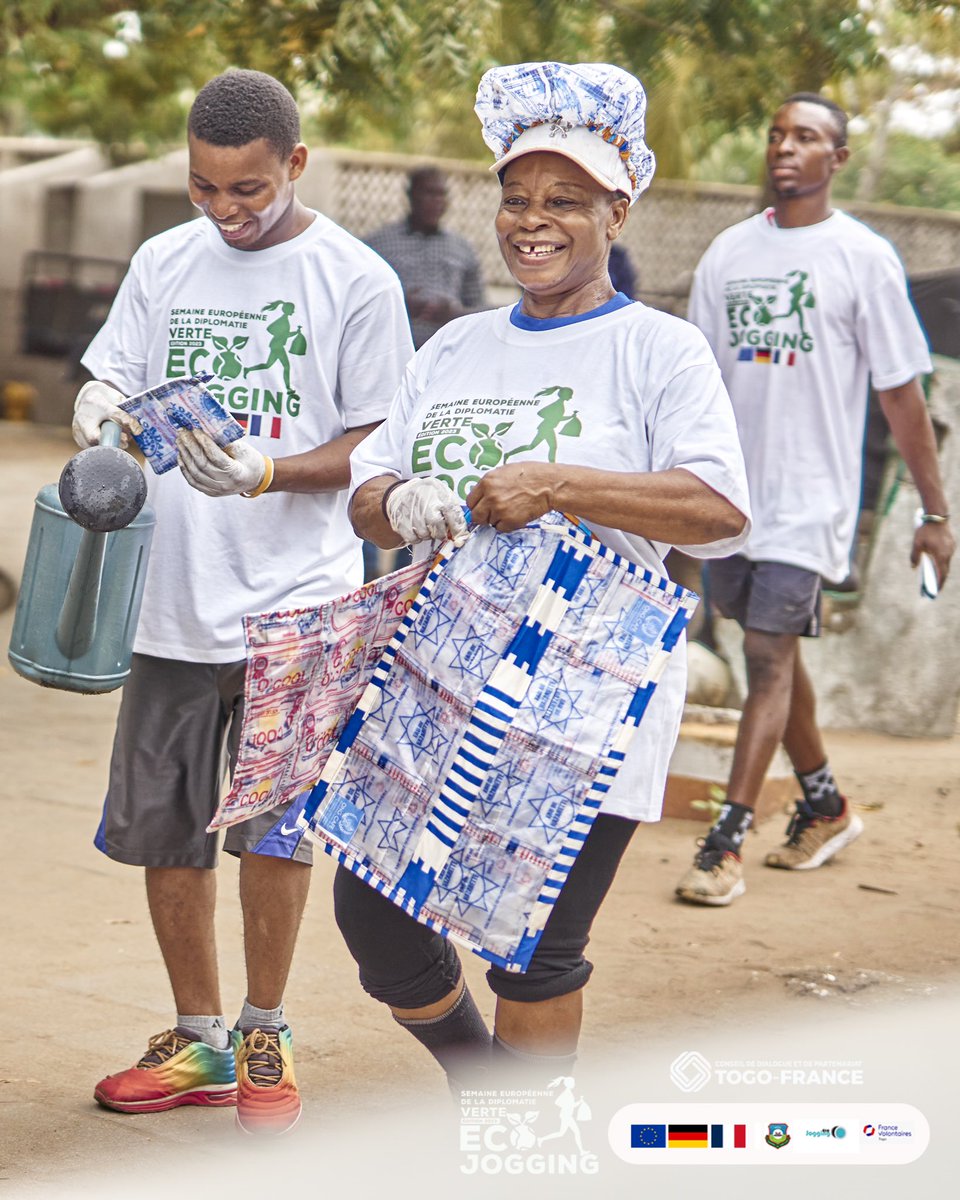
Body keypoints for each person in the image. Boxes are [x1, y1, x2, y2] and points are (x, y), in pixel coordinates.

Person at [339, 61, 751, 1089]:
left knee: (534, 951)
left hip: (585, 700)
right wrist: (399, 504)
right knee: (374, 918)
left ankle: (520, 1148)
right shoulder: (459, 347)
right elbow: (366, 483)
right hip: (442, 680)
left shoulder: (660, 350)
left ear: (618, 208)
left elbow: (718, 509)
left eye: (564, 200)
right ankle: (486, 1087)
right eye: (517, 199)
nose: (532, 222)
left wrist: (561, 484)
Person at [72, 69, 413, 1131]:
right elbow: (116, 383)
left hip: (297, 608)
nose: (224, 210)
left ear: (296, 165)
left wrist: (267, 473)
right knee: (165, 829)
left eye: (249, 191)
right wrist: (99, 413)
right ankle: (201, 1037)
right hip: (170, 601)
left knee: (274, 831)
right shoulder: (162, 262)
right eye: (204, 188)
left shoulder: (355, 281)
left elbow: (376, 443)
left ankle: (266, 1028)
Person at [675, 92, 955, 907]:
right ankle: (826, 805)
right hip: (732, 498)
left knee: (765, 655)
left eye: (806, 137)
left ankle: (725, 842)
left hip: (811, 499)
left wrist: (934, 514)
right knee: (771, 651)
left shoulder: (863, 258)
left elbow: (904, 394)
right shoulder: (728, 253)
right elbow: (699, 388)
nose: (785, 148)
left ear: (837, 158)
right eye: (776, 135)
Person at [366, 166, 486, 348]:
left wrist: (453, 313)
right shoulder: (378, 245)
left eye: (442, 195)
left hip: (449, 354)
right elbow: (359, 304)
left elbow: (480, 310)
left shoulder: (461, 248)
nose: (437, 201)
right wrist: (400, 306)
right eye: (429, 193)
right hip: (393, 352)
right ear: (411, 196)